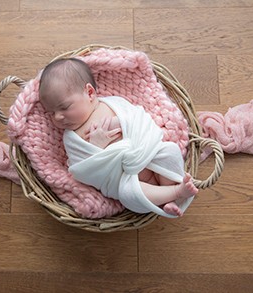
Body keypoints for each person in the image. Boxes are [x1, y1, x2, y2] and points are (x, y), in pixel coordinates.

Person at [38, 58, 198, 217]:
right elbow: (82, 170)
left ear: (90, 93)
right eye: (51, 112)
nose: (58, 117)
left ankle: (169, 193)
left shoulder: (113, 104)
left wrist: (119, 124)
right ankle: (175, 192)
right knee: (127, 194)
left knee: (170, 151)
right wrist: (97, 146)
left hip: (149, 156)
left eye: (64, 107)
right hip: (128, 179)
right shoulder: (71, 138)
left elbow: (138, 119)